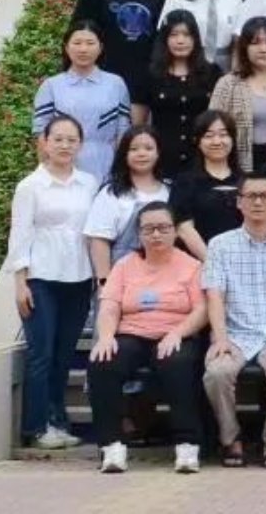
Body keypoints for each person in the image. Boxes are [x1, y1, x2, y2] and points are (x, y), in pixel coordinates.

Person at [87, 199, 205, 475]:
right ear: (139, 234)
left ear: (175, 231)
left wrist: (177, 332)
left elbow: (202, 309)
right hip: (132, 334)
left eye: (163, 228)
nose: (156, 234)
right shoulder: (125, 265)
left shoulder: (191, 266)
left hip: (176, 333)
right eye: (148, 229)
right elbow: (110, 305)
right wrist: (106, 336)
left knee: (178, 364)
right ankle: (112, 446)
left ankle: (187, 445)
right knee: (103, 362)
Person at [201, 171, 266, 469]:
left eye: (265, 196)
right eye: (251, 196)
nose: (258, 202)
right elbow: (214, 296)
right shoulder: (219, 245)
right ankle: (230, 439)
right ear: (239, 202)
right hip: (234, 334)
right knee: (217, 373)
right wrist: (220, 338)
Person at [7, 115, 98, 450]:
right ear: (44, 142)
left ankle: (58, 421)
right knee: (41, 354)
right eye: (57, 139)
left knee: (63, 355)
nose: (64, 145)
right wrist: (21, 282)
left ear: (81, 145)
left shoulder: (89, 183)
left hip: (79, 277)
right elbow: (19, 234)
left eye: (71, 140)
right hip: (41, 278)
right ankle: (36, 427)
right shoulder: (30, 186)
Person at [34, 19, 133, 182]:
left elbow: (123, 130)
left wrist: (120, 171)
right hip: (63, 167)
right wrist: (45, 174)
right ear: (66, 47)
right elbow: (41, 133)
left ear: (100, 47)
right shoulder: (51, 85)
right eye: (77, 43)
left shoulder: (116, 84)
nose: (83, 49)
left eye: (90, 43)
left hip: (105, 167)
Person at [85, 128, 171, 274]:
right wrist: (104, 280)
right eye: (134, 149)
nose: (141, 154)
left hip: (165, 274)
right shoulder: (112, 192)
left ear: (158, 153)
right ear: (124, 154)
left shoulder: (170, 190)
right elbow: (99, 240)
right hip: (121, 275)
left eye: (148, 148)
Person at [210, 17, 266, 172]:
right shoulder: (228, 84)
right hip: (241, 163)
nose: (264, 49)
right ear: (244, 47)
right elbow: (212, 127)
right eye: (255, 43)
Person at [173, 111, 243, 256]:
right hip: (200, 261)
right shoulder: (185, 181)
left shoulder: (247, 181)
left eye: (223, 135)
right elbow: (184, 228)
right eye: (209, 136)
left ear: (233, 139)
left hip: (242, 260)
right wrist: (210, 261)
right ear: (198, 141)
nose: (217, 141)